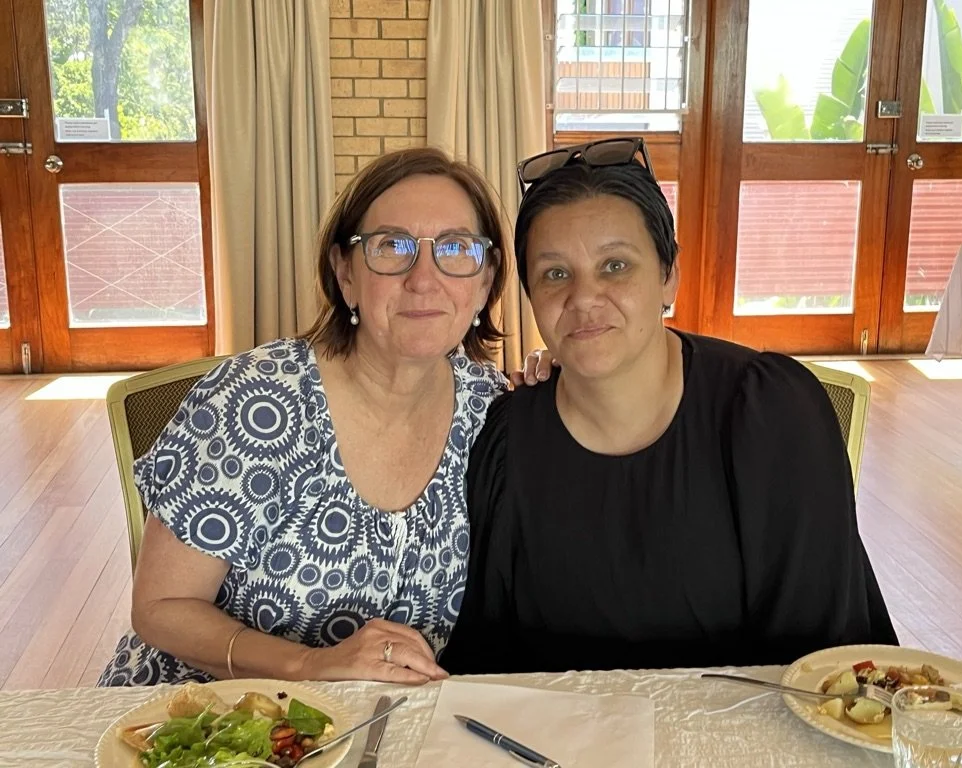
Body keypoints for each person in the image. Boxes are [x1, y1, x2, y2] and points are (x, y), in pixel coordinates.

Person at [443, 138, 899, 675]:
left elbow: (821, 667)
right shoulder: (508, 441)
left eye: (615, 265)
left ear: (669, 275)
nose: (584, 298)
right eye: (556, 274)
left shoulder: (770, 415)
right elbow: (488, 666)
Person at [99, 147, 549, 687]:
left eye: (455, 248)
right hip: (210, 718)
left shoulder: (491, 411)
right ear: (345, 272)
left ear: (485, 279)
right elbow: (162, 608)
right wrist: (312, 665)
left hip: (392, 722)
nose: (424, 278)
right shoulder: (252, 404)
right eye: (391, 246)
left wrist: (564, 395)